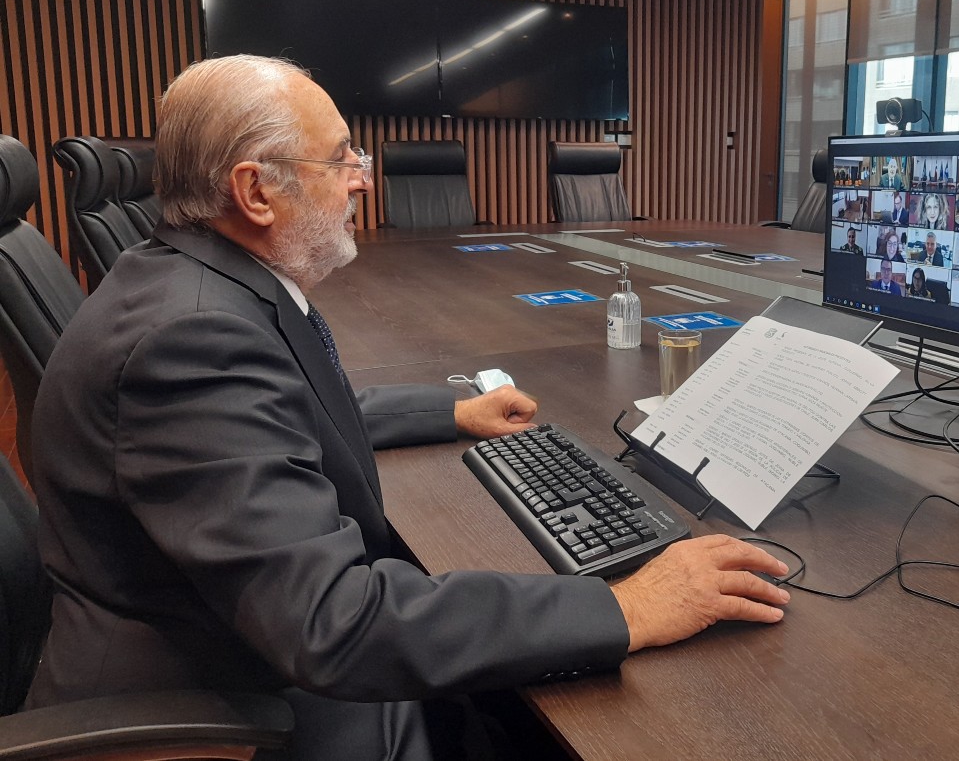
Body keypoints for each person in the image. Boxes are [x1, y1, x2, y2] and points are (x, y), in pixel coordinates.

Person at [24, 55, 791, 760]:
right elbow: (335, 622)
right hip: (225, 706)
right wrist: (622, 607)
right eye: (340, 158)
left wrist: (454, 411)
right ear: (256, 191)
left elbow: (284, 410)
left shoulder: (194, 287)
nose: (361, 177)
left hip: (222, 636)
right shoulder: (192, 340)